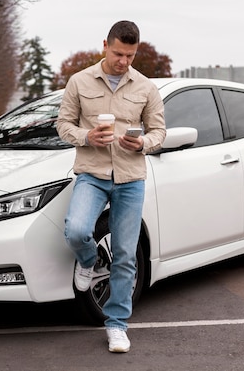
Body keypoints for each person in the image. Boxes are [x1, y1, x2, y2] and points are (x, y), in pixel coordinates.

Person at [56, 20, 166, 353]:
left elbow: (159, 133)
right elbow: (63, 125)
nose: (123, 61)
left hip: (131, 178)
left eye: (130, 56)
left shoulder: (146, 87)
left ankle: (116, 325)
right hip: (92, 172)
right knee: (76, 230)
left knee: (125, 254)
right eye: (118, 53)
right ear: (105, 44)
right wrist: (86, 136)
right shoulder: (79, 81)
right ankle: (88, 260)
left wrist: (143, 143)